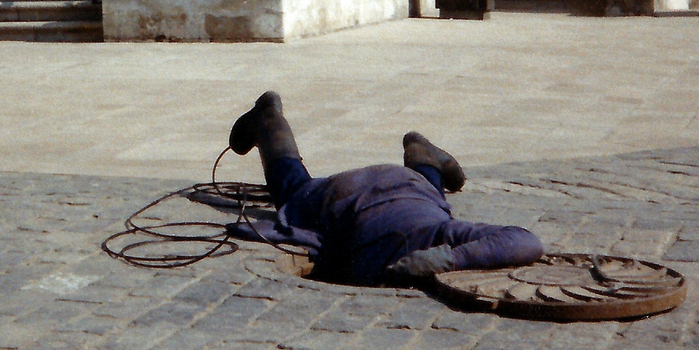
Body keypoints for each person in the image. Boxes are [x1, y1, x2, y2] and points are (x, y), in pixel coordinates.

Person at [227, 91, 544, 284]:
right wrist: (450, 260)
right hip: (347, 193)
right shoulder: (389, 256)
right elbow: (527, 242)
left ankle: (423, 157)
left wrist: (453, 258)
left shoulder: (446, 234)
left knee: (431, 199)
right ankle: (268, 118)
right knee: (293, 190)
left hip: (408, 186)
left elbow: (525, 241)